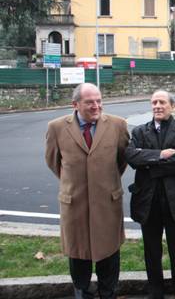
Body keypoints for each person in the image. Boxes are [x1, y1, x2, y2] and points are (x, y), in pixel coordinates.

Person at [45, 83, 129, 299]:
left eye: (99, 101)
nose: (96, 106)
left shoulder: (118, 125)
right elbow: (54, 162)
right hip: (75, 204)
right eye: (90, 102)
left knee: (109, 254)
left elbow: (121, 161)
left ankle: (108, 293)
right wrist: (77, 182)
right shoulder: (56, 127)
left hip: (107, 202)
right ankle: (82, 292)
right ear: (75, 104)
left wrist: (101, 181)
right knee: (78, 253)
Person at [125, 90, 175, 299]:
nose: (157, 105)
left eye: (162, 102)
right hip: (148, 200)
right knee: (151, 250)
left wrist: (149, 162)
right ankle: (155, 291)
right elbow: (131, 157)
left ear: (172, 106)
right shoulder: (138, 132)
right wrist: (161, 155)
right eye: (154, 102)